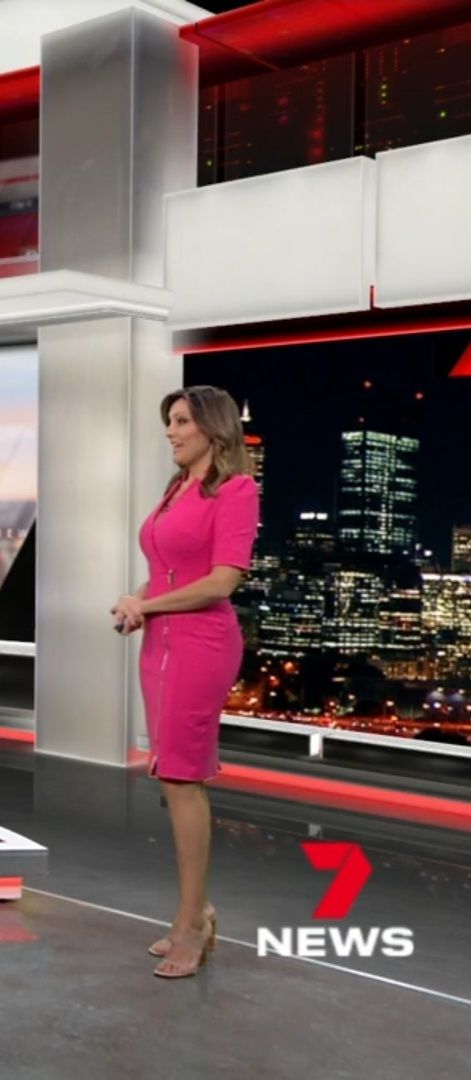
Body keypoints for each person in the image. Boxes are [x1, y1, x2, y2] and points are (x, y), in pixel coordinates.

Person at [110, 385, 259, 979]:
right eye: (168, 421)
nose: (169, 432)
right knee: (171, 777)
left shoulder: (237, 490)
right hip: (161, 644)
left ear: (213, 429)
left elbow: (222, 581)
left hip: (202, 645)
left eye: (180, 422)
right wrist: (136, 600)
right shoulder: (176, 489)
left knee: (181, 776)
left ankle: (192, 921)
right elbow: (163, 571)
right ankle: (198, 912)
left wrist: (148, 605)